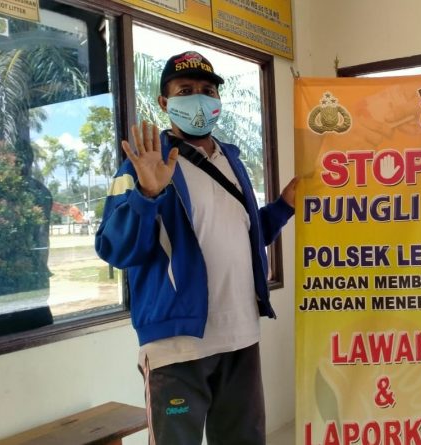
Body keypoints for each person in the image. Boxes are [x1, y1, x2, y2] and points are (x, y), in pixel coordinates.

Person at [95, 50, 297, 445]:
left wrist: (283, 207)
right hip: (177, 346)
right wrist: (147, 194)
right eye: (185, 91)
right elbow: (115, 249)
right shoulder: (141, 166)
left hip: (240, 336)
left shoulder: (230, 161)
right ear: (164, 102)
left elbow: (242, 237)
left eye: (207, 90)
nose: (199, 99)